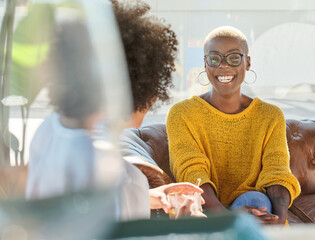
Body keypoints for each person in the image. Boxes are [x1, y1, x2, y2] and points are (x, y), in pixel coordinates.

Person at [26, 0, 203, 221]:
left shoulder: (48, 130)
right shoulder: (117, 174)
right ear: (146, 93)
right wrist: (186, 229)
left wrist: (146, 195)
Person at [166, 26, 301, 225]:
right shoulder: (182, 114)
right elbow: (193, 172)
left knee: (257, 201)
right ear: (205, 64)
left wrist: (279, 220)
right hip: (209, 212)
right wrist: (229, 218)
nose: (223, 66)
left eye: (234, 58)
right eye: (214, 58)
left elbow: (277, 172)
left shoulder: (270, 116)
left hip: (257, 210)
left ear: (247, 62)